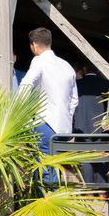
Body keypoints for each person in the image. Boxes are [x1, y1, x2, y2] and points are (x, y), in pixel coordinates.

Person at [20, 27, 78, 179]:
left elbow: (26, 84)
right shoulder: (67, 65)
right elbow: (74, 100)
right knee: (57, 169)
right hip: (65, 129)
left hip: (46, 125)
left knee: (45, 171)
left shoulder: (39, 61)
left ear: (34, 45)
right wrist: (66, 116)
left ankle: (47, 198)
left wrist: (17, 109)